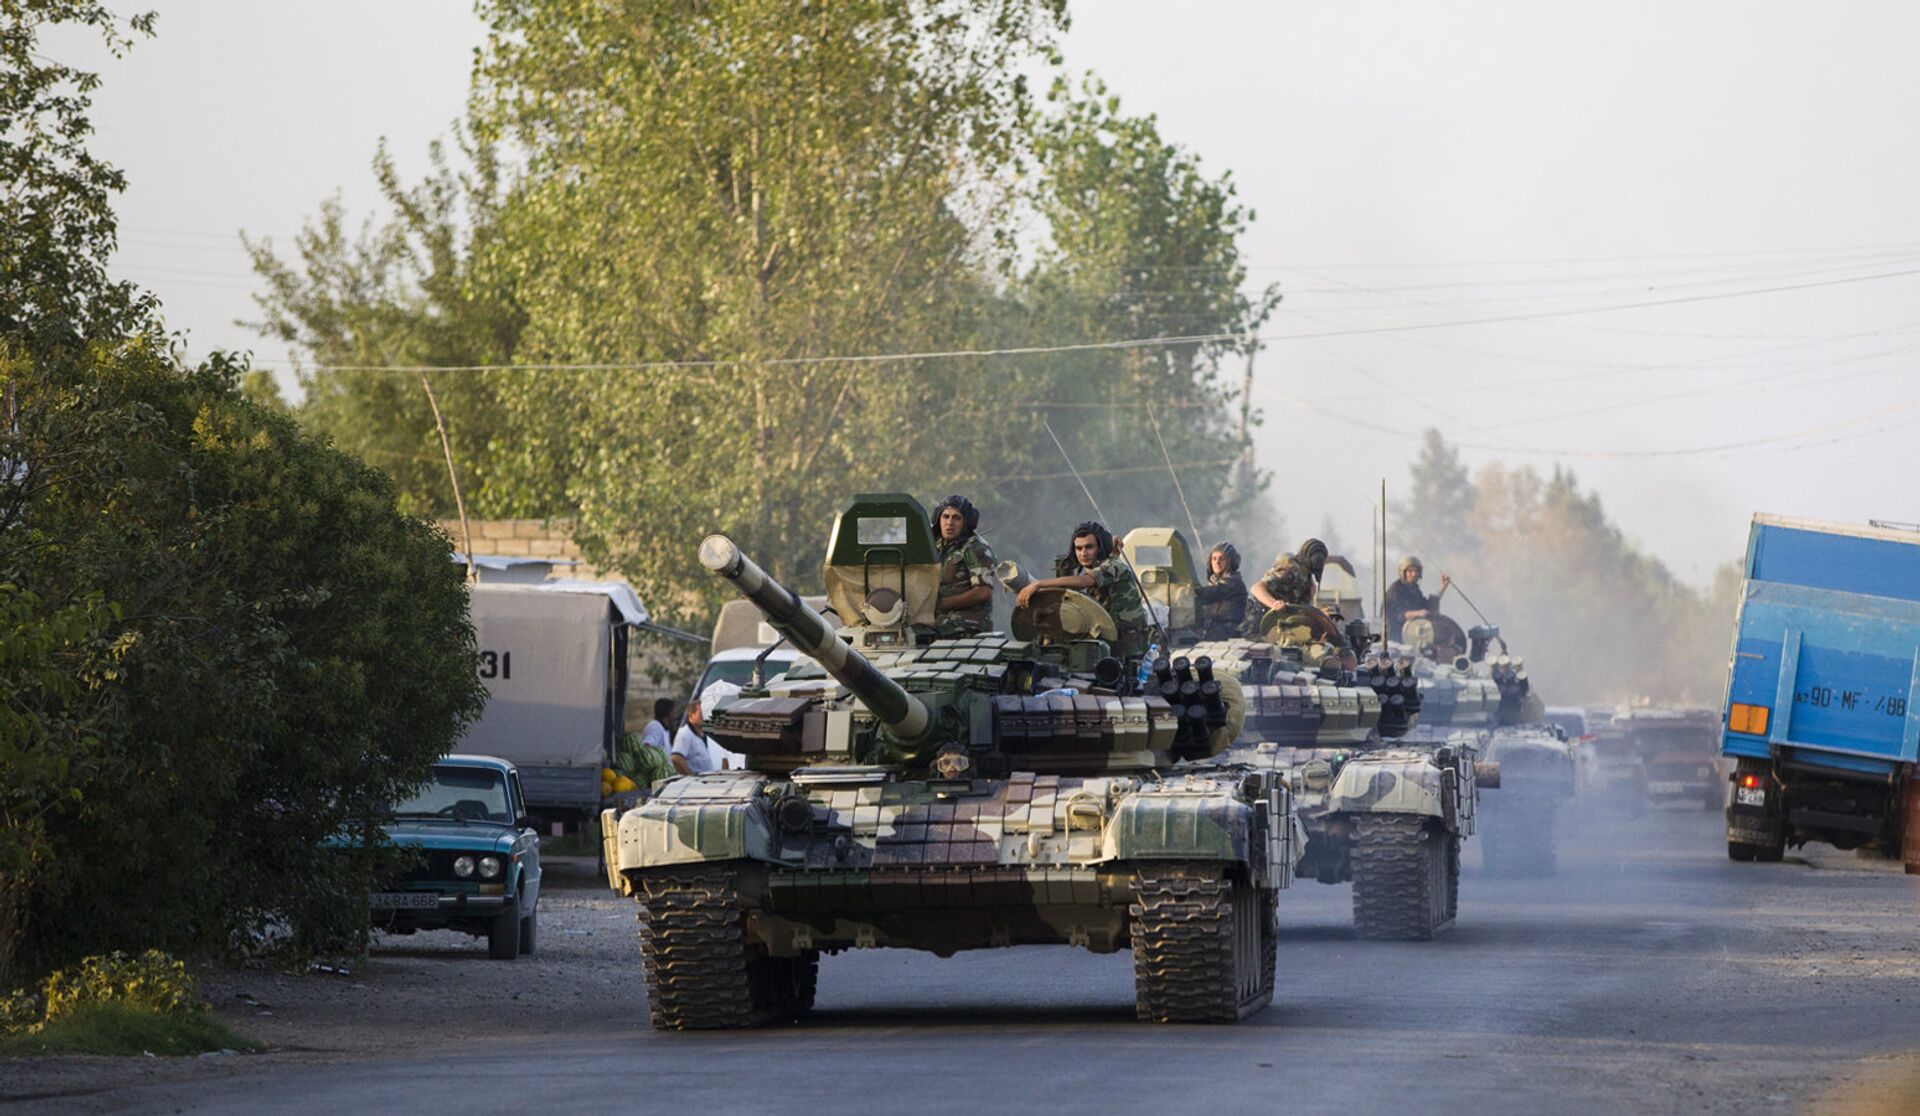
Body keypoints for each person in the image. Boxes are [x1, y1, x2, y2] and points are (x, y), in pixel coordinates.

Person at [1013, 521, 1150, 656]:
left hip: (1129, 646)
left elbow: (1085, 581)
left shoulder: (1113, 565)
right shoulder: (1107, 562)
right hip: (1110, 639)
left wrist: (1038, 584)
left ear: (1100, 548)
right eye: (1078, 548)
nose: (1083, 553)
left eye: (1089, 547)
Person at [931, 494, 996, 635]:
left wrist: (942, 604)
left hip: (967, 626)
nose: (949, 523)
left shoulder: (975, 548)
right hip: (937, 622)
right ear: (938, 519)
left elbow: (983, 592)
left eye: (956, 518)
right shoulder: (934, 545)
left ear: (966, 522)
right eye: (945, 516)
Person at [672, 681, 741, 775]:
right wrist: (690, 777)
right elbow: (676, 758)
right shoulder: (685, 734)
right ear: (691, 716)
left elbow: (725, 758)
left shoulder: (706, 733)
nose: (703, 717)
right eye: (700, 714)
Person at [1384, 555, 1451, 642]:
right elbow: (1397, 614)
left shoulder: (1415, 590)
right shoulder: (1395, 590)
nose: (1414, 574)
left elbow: (1427, 606)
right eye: (1410, 571)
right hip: (1394, 637)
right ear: (1403, 572)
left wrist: (1443, 587)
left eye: (1416, 571)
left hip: (1414, 635)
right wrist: (1417, 613)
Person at [1191, 542, 1249, 640]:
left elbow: (1211, 593)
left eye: (1222, 559)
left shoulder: (1233, 582)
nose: (1217, 562)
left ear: (1230, 561)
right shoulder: (1214, 582)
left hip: (1228, 632)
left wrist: (1191, 591)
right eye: (1214, 559)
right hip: (1213, 630)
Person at [615, 701, 674, 788]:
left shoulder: (664, 728)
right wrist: (650, 764)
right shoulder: (655, 727)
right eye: (673, 712)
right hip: (652, 777)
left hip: (661, 777)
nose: (674, 715)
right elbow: (647, 745)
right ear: (668, 713)